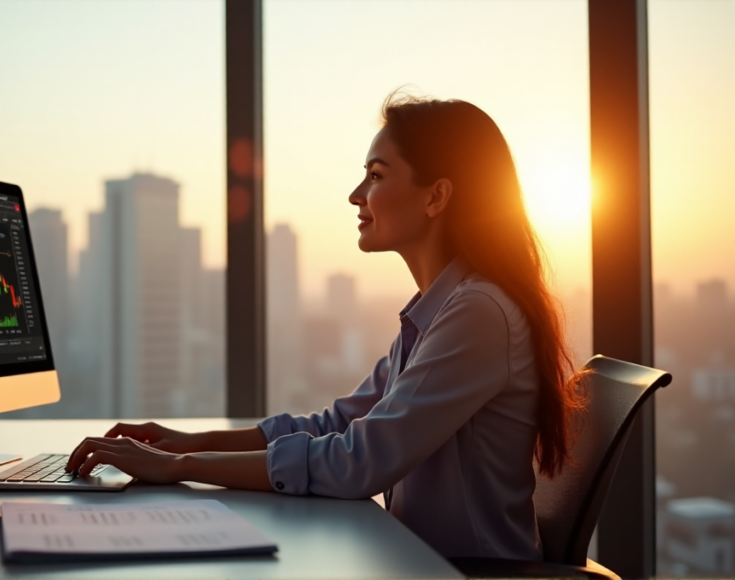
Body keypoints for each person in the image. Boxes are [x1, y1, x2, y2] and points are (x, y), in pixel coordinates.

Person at [67, 93, 586, 560]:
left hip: (465, 574)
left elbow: (359, 463)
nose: (357, 194)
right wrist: (188, 443)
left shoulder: (478, 313)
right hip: (415, 561)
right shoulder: (438, 308)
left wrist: (178, 467)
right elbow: (336, 424)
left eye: (377, 175)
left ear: (436, 197)